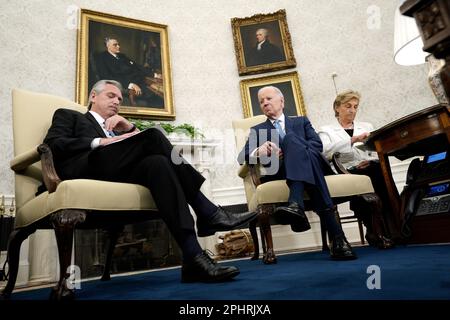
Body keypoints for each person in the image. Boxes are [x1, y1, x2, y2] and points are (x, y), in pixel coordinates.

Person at [43, 79, 258, 283]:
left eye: (120, 98)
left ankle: (193, 258)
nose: (117, 101)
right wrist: (101, 141)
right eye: (111, 96)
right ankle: (207, 211)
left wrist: (127, 128)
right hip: (85, 169)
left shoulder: (117, 124)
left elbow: (135, 151)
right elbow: (54, 144)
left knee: (159, 164)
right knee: (154, 136)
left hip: (116, 173)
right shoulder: (70, 116)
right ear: (93, 96)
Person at [238, 86, 357, 260]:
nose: (264, 103)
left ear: (282, 101)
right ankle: (339, 240)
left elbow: (317, 146)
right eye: (261, 101)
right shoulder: (258, 130)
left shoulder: (301, 121)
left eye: (268, 98)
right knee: (301, 152)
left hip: (311, 164)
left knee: (292, 140)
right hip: (282, 171)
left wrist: (292, 149)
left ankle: (296, 203)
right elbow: (241, 157)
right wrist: (259, 151)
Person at [317, 90, 394, 248]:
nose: (352, 110)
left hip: (368, 167)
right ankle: (375, 228)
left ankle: (388, 225)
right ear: (337, 108)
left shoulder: (367, 126)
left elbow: (375, 150)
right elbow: (324, 151)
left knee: (378, 169)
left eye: (355, 107)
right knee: (368, 176)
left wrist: (368, 160)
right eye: (348, 106)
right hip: (343, 170)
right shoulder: (326, 130)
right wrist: (352, 140)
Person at [95, 37, 163, 107]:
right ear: (108, 46)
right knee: (156, 100)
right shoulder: (102, 58)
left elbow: (137, 66)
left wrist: (154, 75)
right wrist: (130, 85)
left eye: (118, 44)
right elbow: (106, 77)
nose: (118, 46)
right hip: (125, 85)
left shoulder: (122, 56)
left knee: (158, 94)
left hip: (140, 81)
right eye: (115, 45)